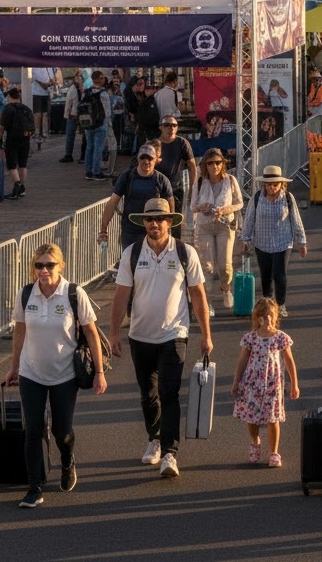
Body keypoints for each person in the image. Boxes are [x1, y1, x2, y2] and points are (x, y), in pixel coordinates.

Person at [108, 198, 212, 479]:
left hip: (174, 334)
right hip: (140, 335)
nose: (155, 224)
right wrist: (114, 333)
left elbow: (198, 296)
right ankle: (154, 438)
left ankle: (170, 453)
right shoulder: (131, 253)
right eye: (150, 219)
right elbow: (120, 297)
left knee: (169, 392)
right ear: (144, 222)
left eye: (160, 219)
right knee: (148, 394)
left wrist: (206, 334)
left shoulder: (184, 252)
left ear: (170, 222)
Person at [5, 242, 107, 508]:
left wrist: (99, 372)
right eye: (39, 265)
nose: (44, 270)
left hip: (64, 374)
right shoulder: (26, 294)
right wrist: (14, 368)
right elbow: (19, 332)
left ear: (60, 266)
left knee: (62, 431)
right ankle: (34, 487)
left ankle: (67, 461)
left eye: (50, 265)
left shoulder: (73, 293)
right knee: (33, 430)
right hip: (31, 373)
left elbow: (92, 334)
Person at [232, 297, 299, 468]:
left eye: (272, 315)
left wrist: (294, 384)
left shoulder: (281, 338)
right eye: (264, 316)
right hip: (252, 383)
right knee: (252, 418)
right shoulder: (250, 338)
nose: (269, 319)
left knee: (273, 417)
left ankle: (274, 452)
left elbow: (289, 361)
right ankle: (255, 441)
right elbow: (242, 360)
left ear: (276, 317)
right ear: (257, 319)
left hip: (272, 383)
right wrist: (236, 382)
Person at [241, 165, 307, 317]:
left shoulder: (288, 198)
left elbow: (296, 220)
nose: (272, 188)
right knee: (265, 275)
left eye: (275, 185)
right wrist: (245, 239)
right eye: (269, 185)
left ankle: (281, 304)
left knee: (279, 275)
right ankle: (267, 304)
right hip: (262, 243)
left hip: (283, 243)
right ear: (264, 184)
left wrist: (302, 242)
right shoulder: (257, 198)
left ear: (281, 184)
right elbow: (249, 219)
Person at [189, 148, 243, 310]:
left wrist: (226, 209)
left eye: (218, 163)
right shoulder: (199, 182)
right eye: (211, 163)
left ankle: (226, 288)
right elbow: (192, 207)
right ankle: (208, 302)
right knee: (206, 266)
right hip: (204, 226)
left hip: (225, 226)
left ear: (223, 164)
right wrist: (201, 207)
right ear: (205, 165)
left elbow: (239, 203)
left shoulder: (230, 180)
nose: (215, 166)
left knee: (225, 265)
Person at [98, 144, 175, 251]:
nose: (146, 161)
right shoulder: (126, 177)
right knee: (131, 265)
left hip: (154, 232)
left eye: (150, 158)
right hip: (130, 232)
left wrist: (168, 230)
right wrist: (103, 230)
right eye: (143, 157)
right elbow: (112, 203)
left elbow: (170, 208)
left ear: (156, 160)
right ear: (137, 159)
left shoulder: (162, 180)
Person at [155, 115, 198, 212]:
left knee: (175, 222)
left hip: (176, 189)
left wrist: (192, 189)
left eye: (174, 125)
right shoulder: (154, 144)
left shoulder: (182, 143)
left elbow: (192, 167)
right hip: (156, 190)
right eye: (167, 125)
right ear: (160, 127)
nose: (171, 128)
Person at [0, 87, 34, 199]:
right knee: (23, 164)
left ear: (9, 96)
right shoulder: (27, 109)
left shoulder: (8, 108)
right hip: (25, 138)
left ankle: (17, 186)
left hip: (12, 138)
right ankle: (22, 188)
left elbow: (1, 127)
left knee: (12, 164)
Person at [81, 70, 111, 182]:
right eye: (102, 78)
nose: (104, 80)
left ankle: (88, 171)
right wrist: (108, 124)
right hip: (101, 124)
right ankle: (96, 172)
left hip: (88, 124)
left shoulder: (86, 92)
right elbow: (107, 111)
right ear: (97, 79)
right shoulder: (103, 93)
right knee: (99, 148)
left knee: (89, 147)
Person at [59, 70, 85, 163]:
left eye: (81, 76)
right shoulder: (73, 88)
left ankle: (81, 155)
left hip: (79, 115)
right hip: (74, 115)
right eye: (79, 76)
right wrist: (68, 115)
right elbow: (69, 103)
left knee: (83, 136)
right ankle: (69, 154)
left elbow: (69, 103)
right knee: (71, 135)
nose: (80, 78)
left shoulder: (82, 88)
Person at [30, 67, 57, 142]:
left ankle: (45, 132)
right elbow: (43, 85)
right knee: (37, 114)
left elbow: (52, 80)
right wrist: (48, 84)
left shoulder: (50, 68)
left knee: (45, 114)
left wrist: (51, 82)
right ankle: (37, 132)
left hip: (46, 93)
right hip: (37, 93)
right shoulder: (35, 67)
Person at [306, 66, 322, 134]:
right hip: (315, 114)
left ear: (319, 79)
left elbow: (318, 101)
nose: (313, 82)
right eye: (312, 80)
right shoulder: (314, 87)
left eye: (315, 80)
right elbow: (311, 97)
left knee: (321, 133)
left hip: (321, 115)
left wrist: (308, 106)